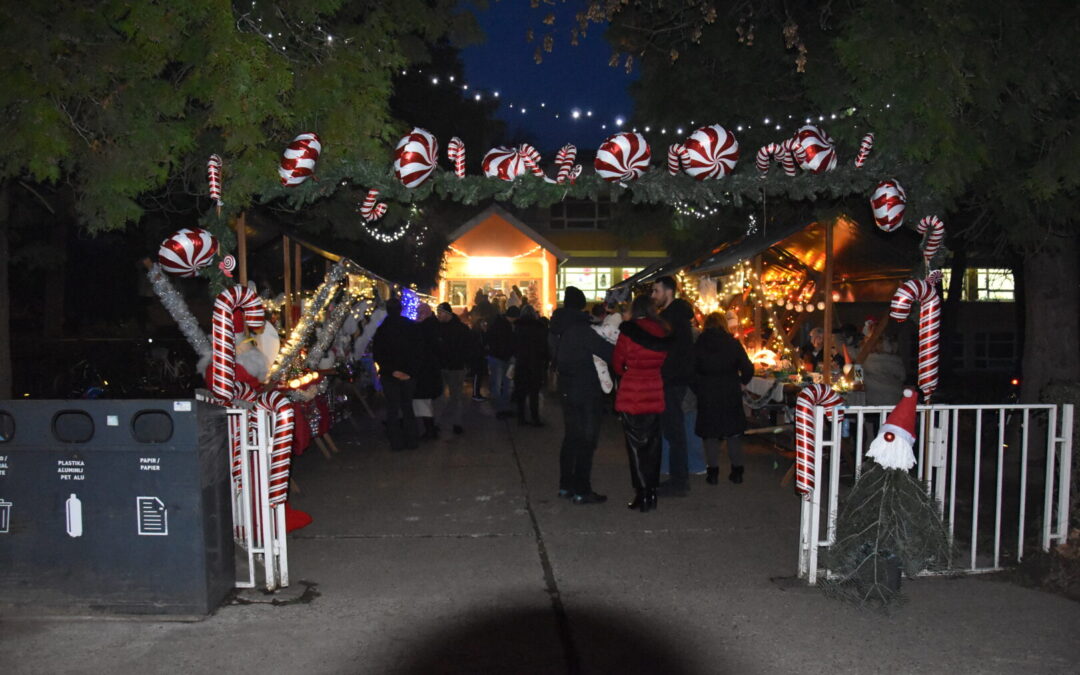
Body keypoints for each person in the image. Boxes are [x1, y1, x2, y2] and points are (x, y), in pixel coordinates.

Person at [553, 286, 614, 504]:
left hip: (567, 388)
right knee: (587, 439)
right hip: (586, 390)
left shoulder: (557, 326)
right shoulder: (581, 329)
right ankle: (582, 489)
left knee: (571, 437)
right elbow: (608, 352)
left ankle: (565, 485)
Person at [612, 294, 671, 512]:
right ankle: (653, 493)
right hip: (654, 390)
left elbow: (618, 362)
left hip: (632, 394)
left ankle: (642, 493)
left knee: (636, 447)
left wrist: (626, 371)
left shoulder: (629, 330)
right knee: (653, 445)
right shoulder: (663, 330)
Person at [693, 312, 754, 485]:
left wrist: (698, 388)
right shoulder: (733, 344)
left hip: (707, 393)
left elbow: (690, 371)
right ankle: (737, 471)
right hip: (729, 392)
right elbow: (748, 368)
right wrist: (742, 382)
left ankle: (712, 472)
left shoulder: (699, 344)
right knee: (733, 433)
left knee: (710, 434)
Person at [651, 275, 696, 496]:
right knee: (673, 430)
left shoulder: (671, 319)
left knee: (674, 431)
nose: (653, 296)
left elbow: (671, 354)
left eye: (656, 291)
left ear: (668, 292)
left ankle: (679, 481)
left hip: (670, 381)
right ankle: (679, 479)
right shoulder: (676, 318)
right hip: (673, 380)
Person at [371, 297, 422, 451]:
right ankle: (411, 441)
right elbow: (418, 352)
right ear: (401, 309)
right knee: (408, 408)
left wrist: (392, 370)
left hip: (389, 375)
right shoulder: (410, 327)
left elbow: (378, 354)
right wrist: (409, 372)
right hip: (407, 375)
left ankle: (396, 442)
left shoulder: (382, 329)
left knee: (392, 409)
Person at [434, 302, 475, 435]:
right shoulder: (437, 328)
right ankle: (436, 423)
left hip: (456, 367)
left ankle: (456, 423)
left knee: (455, 396)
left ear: (447, 313)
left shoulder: (460, 329)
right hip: (442, 366)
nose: (438, 315)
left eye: (440, 313)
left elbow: (468, 347)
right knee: (440, 396)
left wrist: (464, 362)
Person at [511, 304, 549, 426]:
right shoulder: (540, 327)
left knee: (521, 393)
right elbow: (544, 347)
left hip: (521, 363)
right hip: (535, 364)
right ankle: (535, 417)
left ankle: (521, 418)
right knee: (534, 393)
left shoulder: (517, 327)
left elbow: (513, 346)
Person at [412, 302, 444, 440]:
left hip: (424, 372)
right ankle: (431, 427)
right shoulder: (433, 327)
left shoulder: (423, 329)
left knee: (423, 402)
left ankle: (430, 430)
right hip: (432, 370)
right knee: (427, 402)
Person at [486, 307, 516, 418]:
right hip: (503, 358)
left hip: (497, 357)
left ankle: (500, 408)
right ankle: (502, 407)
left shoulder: (496, 324)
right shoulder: (508, 326)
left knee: (498, 384)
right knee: (505, 384)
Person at [863, 333, 906, 407]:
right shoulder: (896, 361)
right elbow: (903, 377)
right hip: (895, 400)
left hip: (874, 403)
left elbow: (858, 379)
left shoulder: (865, 361)